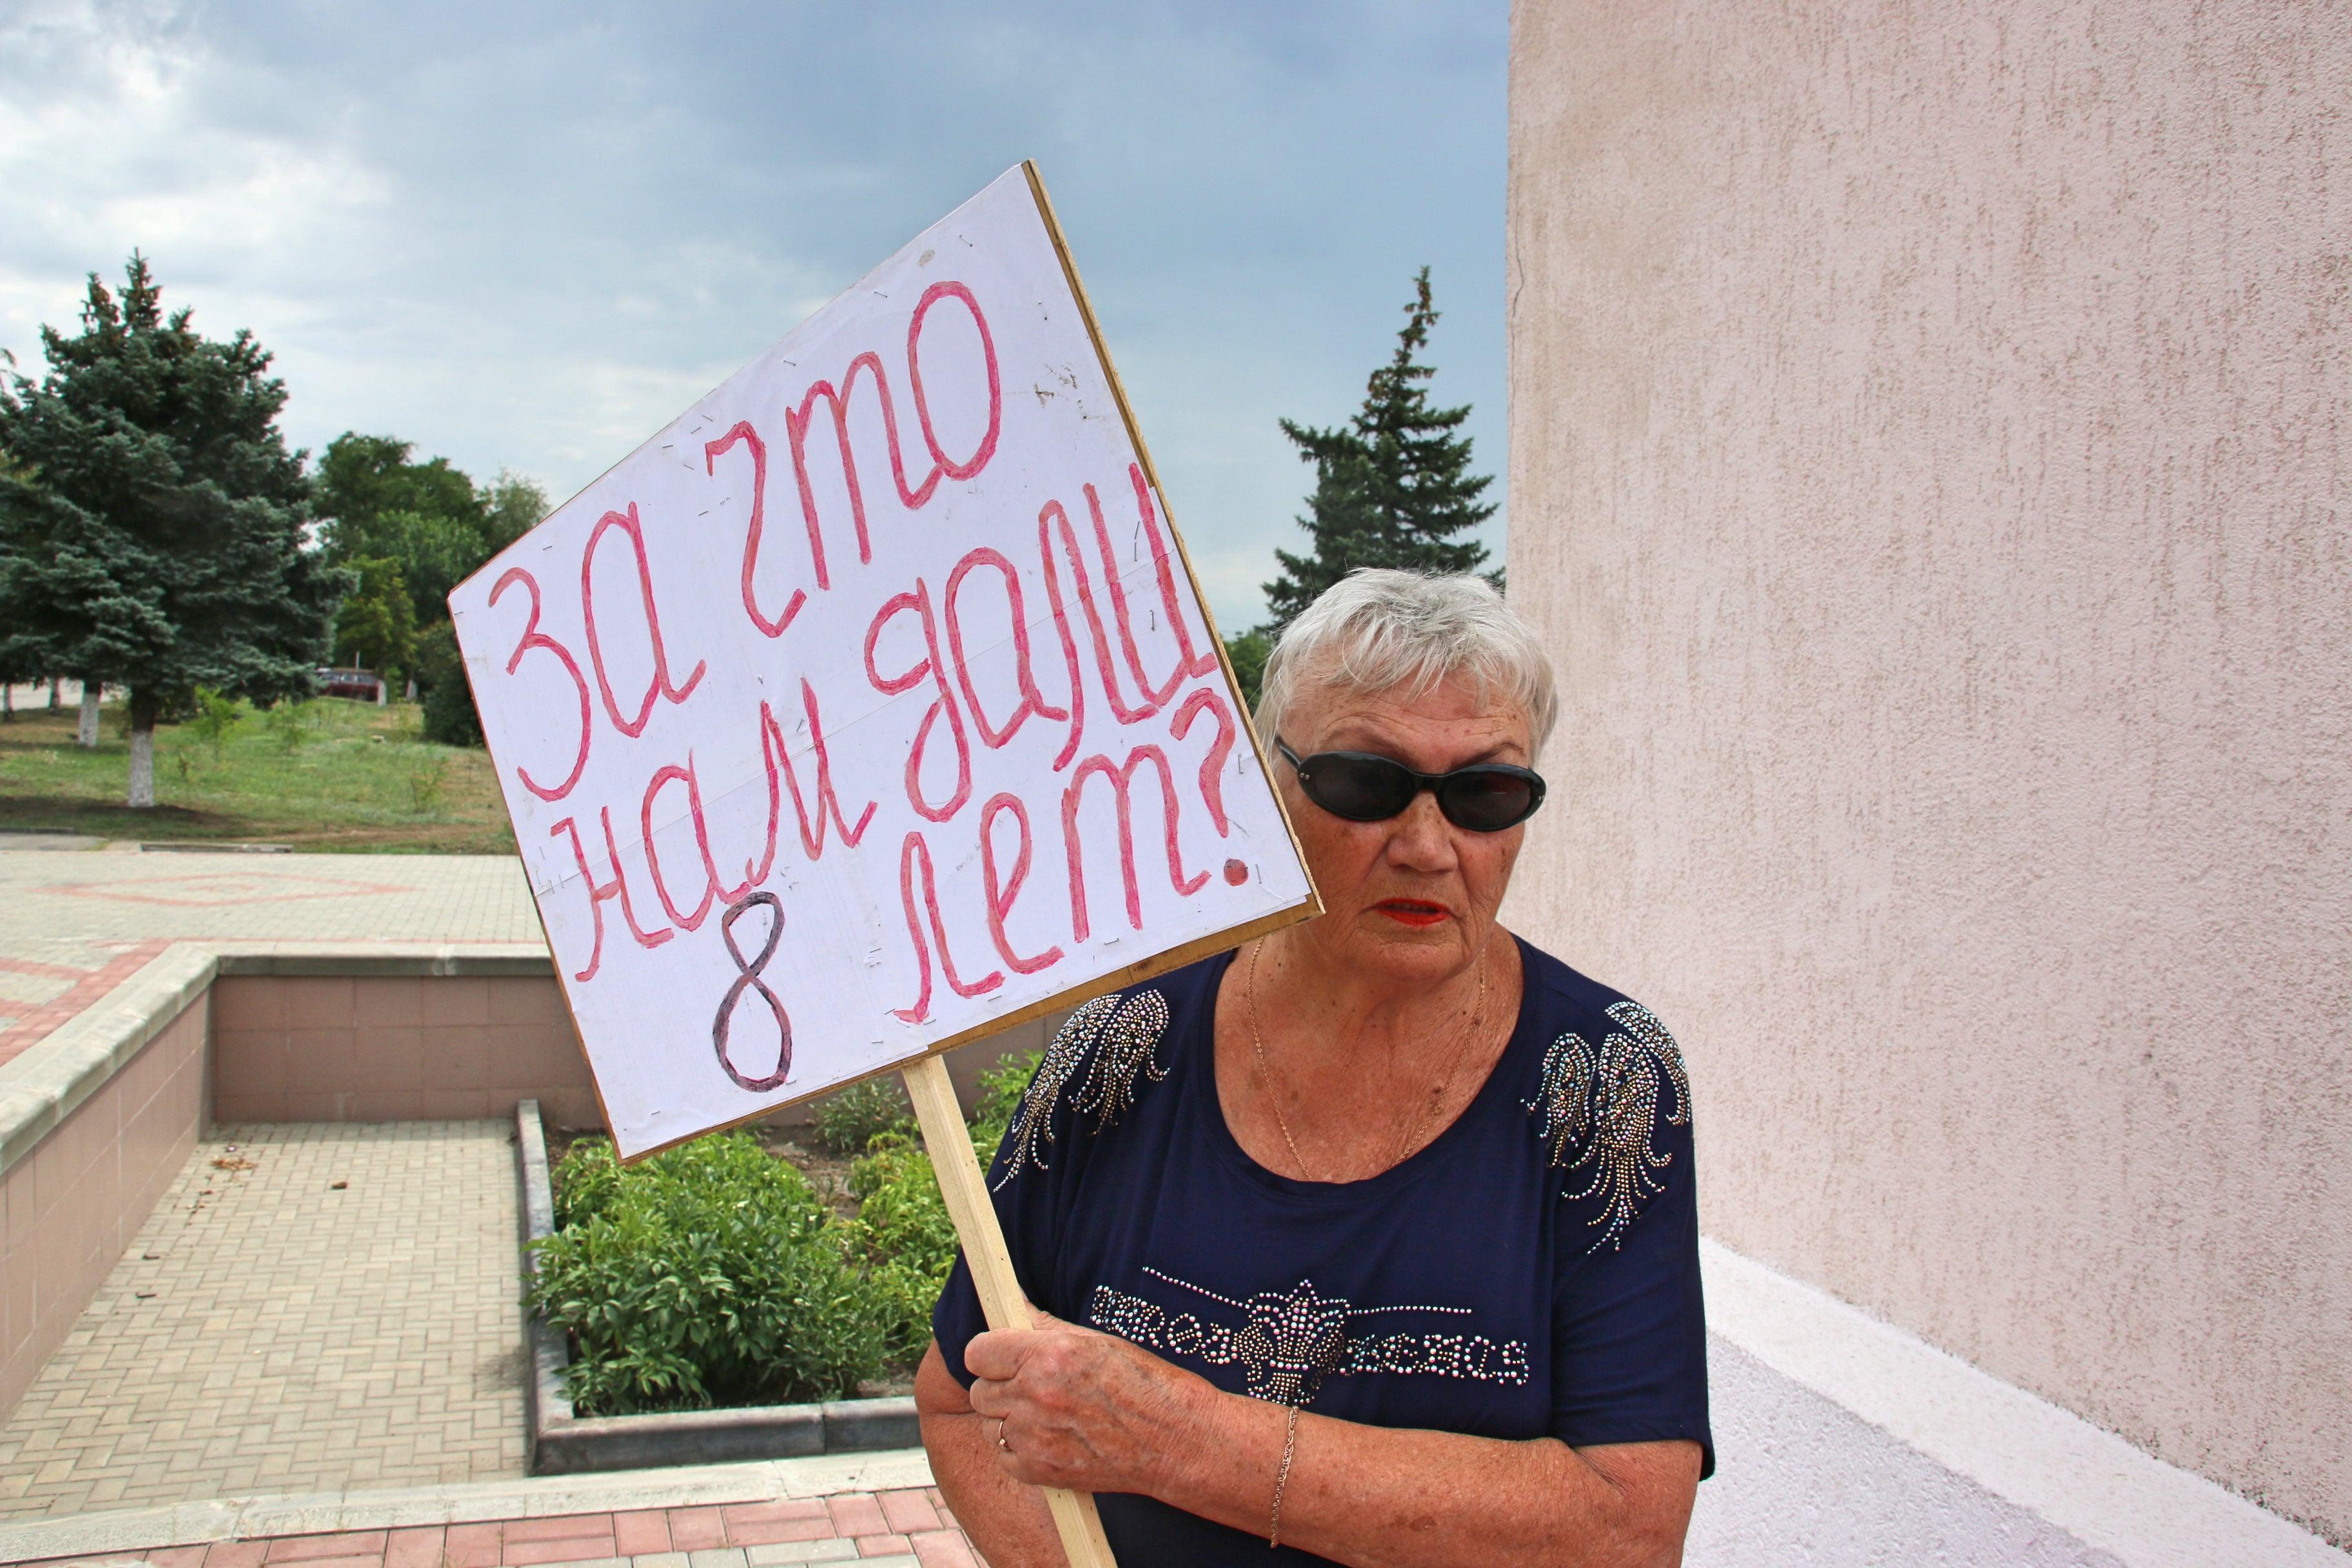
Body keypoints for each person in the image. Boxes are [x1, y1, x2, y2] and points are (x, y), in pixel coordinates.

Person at [917, 569, 1710, 1565]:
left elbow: (1628, 1529)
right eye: (1365, 784)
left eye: (1486, 793)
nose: (1428, 845)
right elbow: (955, 1402)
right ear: (1268, 781)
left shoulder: (1605, 1083)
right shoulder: (1121, 1053)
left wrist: (1183, 1441)